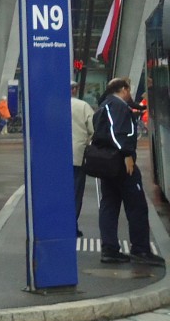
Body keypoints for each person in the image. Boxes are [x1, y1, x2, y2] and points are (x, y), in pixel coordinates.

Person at [92, 76, 165, 266]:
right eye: (129, 90)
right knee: (137, 207)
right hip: (121, 164)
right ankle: (140, 250)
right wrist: (126, 154)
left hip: (106, 164)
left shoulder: (103, 106)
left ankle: (109, 250)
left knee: (109, 205)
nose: (130, 94)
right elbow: (119, 133)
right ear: (123, 89)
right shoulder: (118, 106)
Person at [69, 81, 94, 238]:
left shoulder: (54, 104)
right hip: (78, 155)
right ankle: (72, 225)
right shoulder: (83, 106)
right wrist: (87, 141)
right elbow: (93, 129)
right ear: (75, 90)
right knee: (76, 192)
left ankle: (59, 223)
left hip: (57, 158)